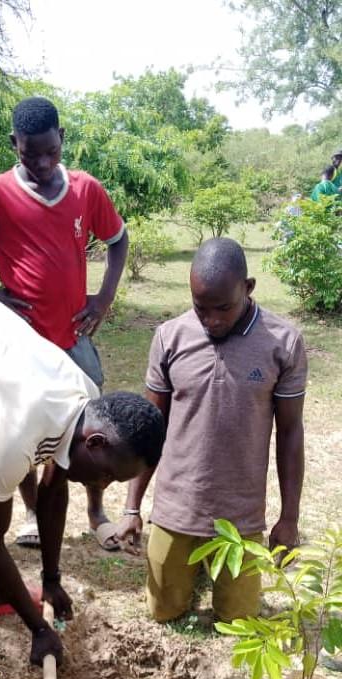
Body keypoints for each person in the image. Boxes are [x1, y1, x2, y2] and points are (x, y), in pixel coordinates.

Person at [0, 283, 165, 664]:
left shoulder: (83, 395)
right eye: (108, 477)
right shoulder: (13, 434)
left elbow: (53, 492)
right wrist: (38, 628)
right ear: (96, 442)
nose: (101, 486)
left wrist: (51, 580)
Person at [0, 96, 128, 551]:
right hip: (19, 348)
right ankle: (34, 513)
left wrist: (104, 298)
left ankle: (95, 511)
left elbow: (118, 239)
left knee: (94, 430)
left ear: (62, 140)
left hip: (73, 340)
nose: (41, 162)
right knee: (19, 432)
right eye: (29, 153)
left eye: (50, 151)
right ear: (14, 143)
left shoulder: (85, 189)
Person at [116, 238, 307, 624]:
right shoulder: (170, 336)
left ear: (248, 288)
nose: (212, 320)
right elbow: (150, 428)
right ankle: (189, 566)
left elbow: (290, 433)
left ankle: (209, 571)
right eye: (201, 308)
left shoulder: (283, 343)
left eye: (224, 308)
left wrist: (289, 518)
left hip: (241, 517)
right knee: (163, 612)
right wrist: (132, 507)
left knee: (237, 621)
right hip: (177, 507)